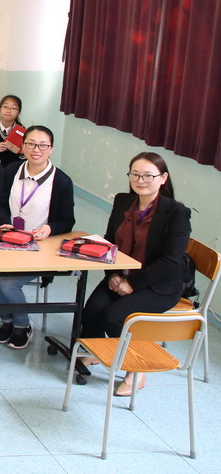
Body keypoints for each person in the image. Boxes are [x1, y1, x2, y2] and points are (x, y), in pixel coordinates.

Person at [79, 152, 191, 396]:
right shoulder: (123, 201)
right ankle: (95, 351)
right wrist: (113, 273)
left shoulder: (177, 213)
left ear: (163, 178)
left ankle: (136, 369)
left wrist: (133, 283)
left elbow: (170, 261)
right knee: (92, 311)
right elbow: (110, 241)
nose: (141, 181)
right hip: (123, 274)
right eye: (135, 175)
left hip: (158, 284)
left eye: (148, 176)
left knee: (114, 318)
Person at [0, 125, 75, 350]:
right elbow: (0, 203)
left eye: (43, 145)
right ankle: (7, 321)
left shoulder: (61, 181)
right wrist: (4, 221)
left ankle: (22, 325)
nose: (37, 150)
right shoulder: (12, 170)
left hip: (39, 248)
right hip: (9, 242)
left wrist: (50, 228)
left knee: (8, 285)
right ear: (23, 147)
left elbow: (67, 221)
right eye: (31, 144)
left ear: (51, 149)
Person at [0, 95, 26, 168]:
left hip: (13, 169)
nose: (8, 110)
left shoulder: (22, 131)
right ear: (0, 109)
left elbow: (24, 159)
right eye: (5, 107)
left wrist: (22, 153)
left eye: (13, 108)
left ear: (18, 112)